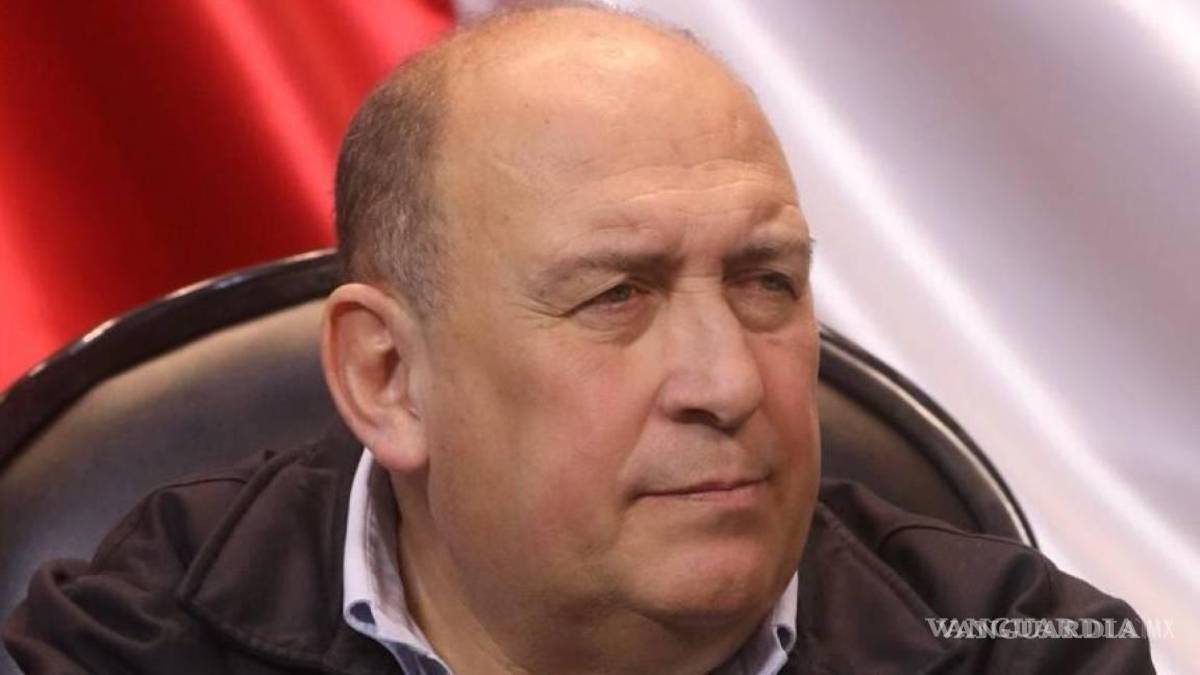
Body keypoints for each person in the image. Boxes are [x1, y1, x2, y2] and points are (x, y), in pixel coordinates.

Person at [2, 4, 1155, 674]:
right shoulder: (126, 650)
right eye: (617, 296)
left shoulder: (1017, 649)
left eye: (766, 282)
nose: (728, 382)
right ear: (388, 376)